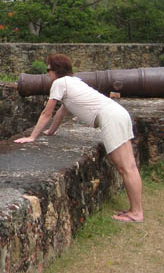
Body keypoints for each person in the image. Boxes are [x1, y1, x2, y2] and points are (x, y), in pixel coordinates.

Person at [14, 53, 144, 223]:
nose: (47, 74)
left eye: (48, 70)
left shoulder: (59, 83)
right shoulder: (74, 82)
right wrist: (51, 131)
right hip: (118, 113)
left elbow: (47, 113)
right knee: (130, 166)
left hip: (110, 117)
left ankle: (136, 213)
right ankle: (135, 209)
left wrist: (32, 137)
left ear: (56, 71)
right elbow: (62, 110)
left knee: (125, 167)